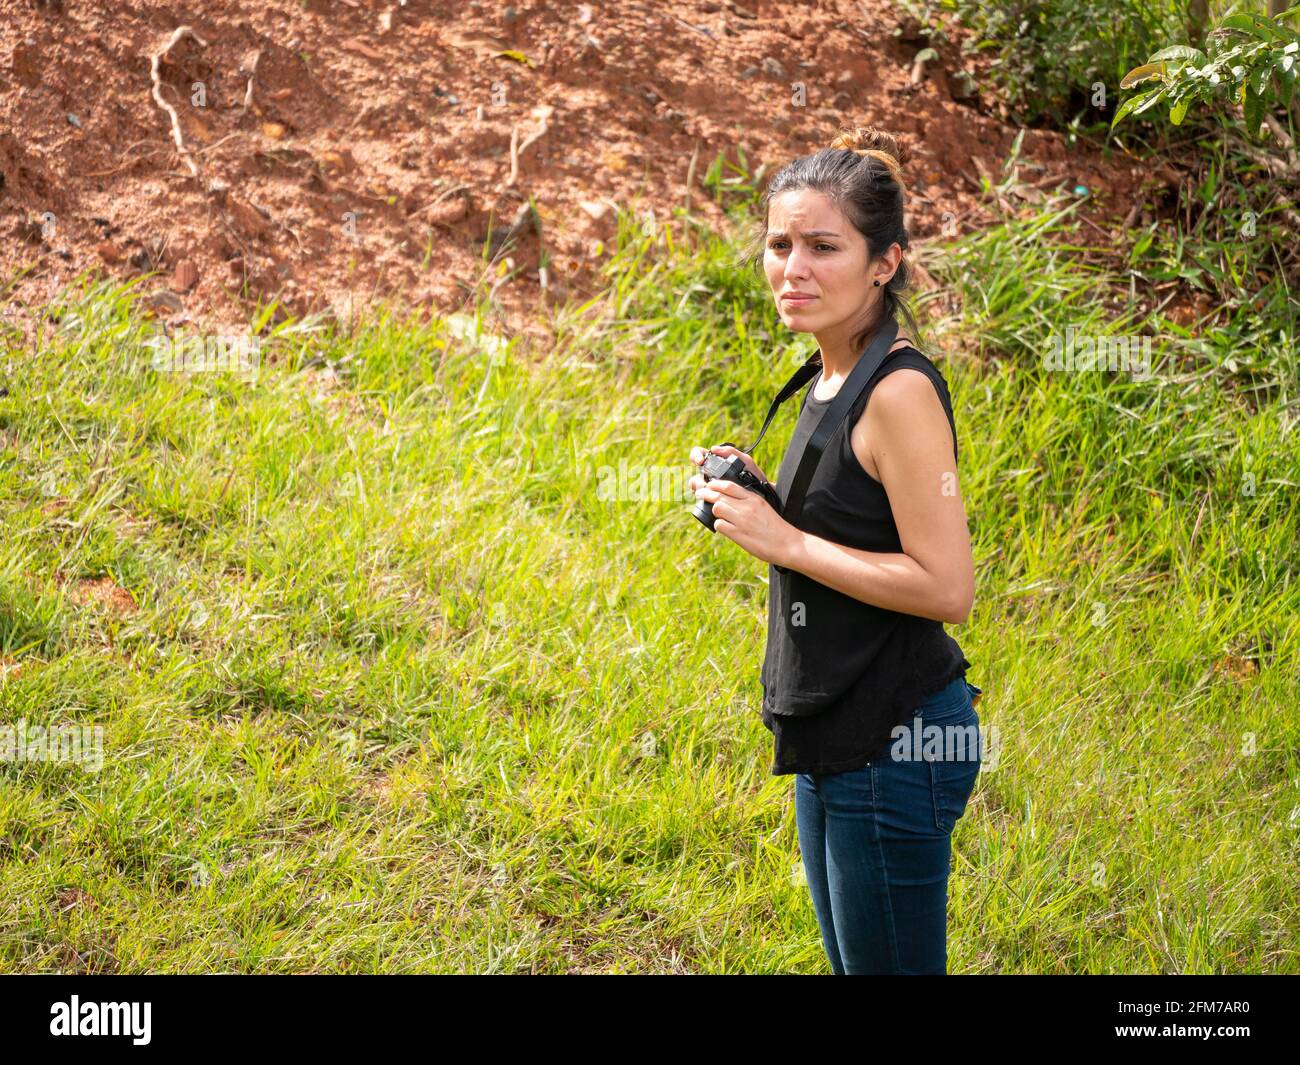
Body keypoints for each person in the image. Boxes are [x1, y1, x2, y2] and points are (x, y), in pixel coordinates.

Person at [688, 126, 983, 975]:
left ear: (884, 262)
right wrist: (761, 499)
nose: (793, 268)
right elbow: (853, 524)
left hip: (897, 740)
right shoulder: (828, 371)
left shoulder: (895, 393)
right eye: (779, 245)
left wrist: (786, 539)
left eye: (824, 246)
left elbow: (946, 585)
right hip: (838, 732)